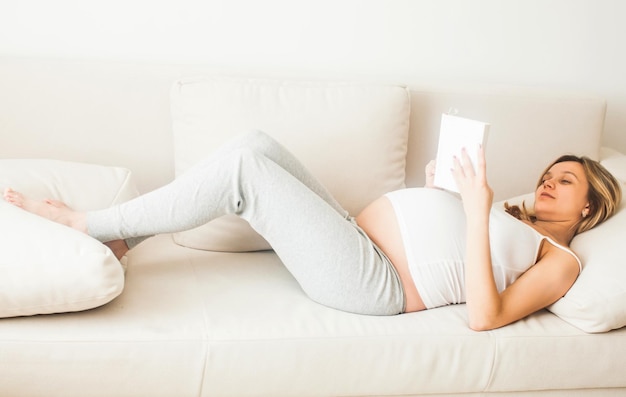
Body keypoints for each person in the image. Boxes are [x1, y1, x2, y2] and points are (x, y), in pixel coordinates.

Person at [3, 130, 622, 330]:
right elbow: (453, 237)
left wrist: (470, 208)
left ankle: (89, 224)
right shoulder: (503, 214)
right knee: (254, 143)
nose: (548, 181)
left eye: (566, 181)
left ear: (591, 209)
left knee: (244, 170)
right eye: (549, 173)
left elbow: (486, 316)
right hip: (355, 234)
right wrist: (444, 194)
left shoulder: (559, 262)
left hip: (374, 282)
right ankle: (122, 238)